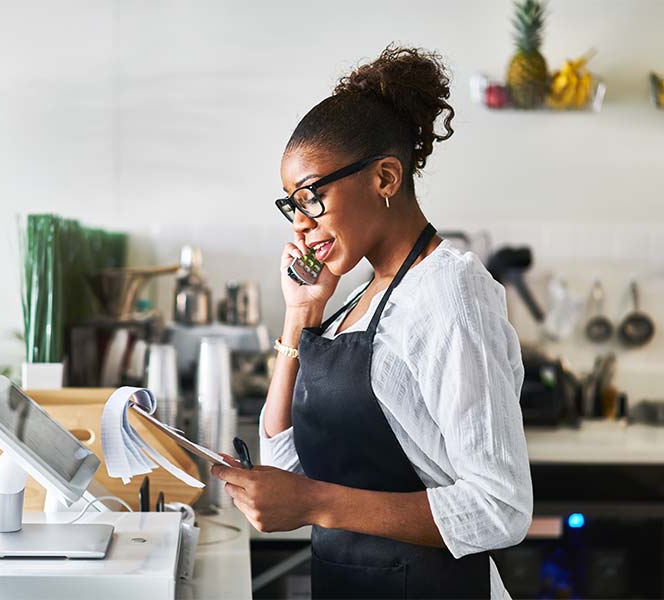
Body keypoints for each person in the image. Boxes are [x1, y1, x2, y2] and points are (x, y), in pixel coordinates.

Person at [212, 44, 532, 599]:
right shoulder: (357, 296)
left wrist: (315, 504)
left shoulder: (450, 292)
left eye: (312, 197)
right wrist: (300, 315)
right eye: (292, 205)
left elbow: (500, 507)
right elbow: (286, 460)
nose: (303, 225)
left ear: (385, 177)